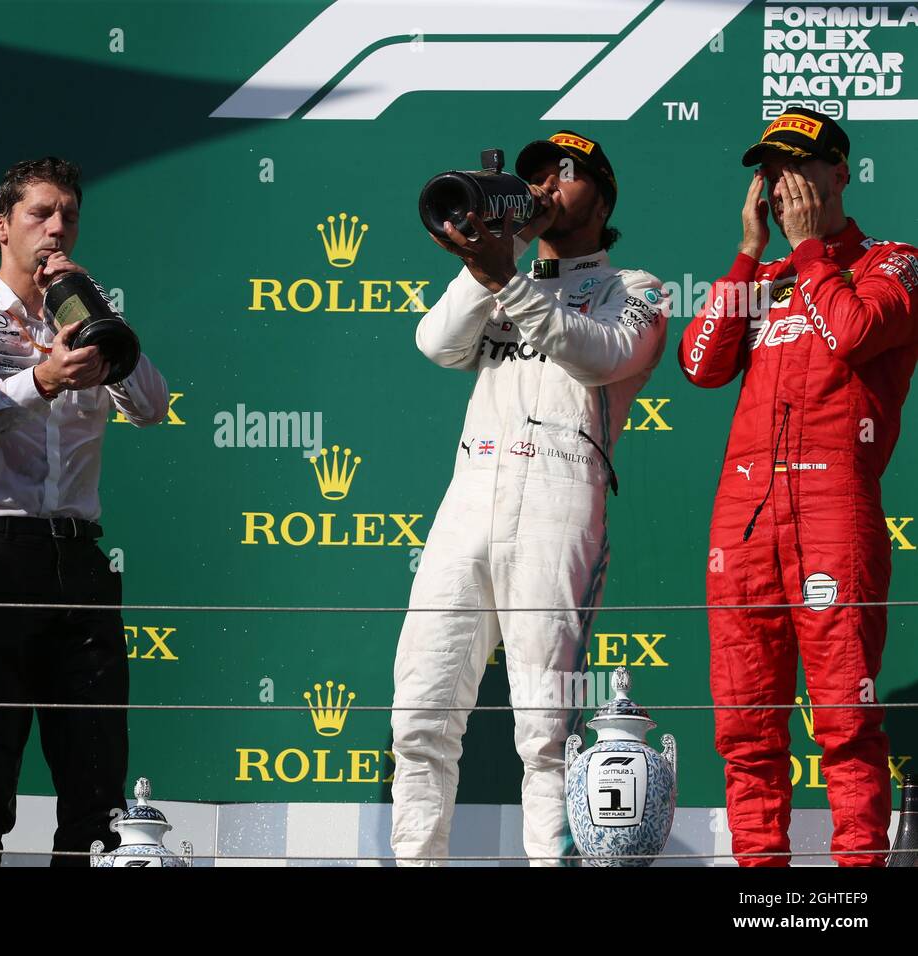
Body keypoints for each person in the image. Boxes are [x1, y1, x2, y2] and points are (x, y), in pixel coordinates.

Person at [390, 131, 669, 865]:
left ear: (602, 198)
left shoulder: (634, 289)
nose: (543, 188)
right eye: (532, 176)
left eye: (564, 175)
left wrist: (508, 279)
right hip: (470, 489)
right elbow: (434, 343)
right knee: (420, 710)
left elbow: (600, 355)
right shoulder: (497, 275)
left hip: (559, 489)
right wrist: (484, 264)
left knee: (546, 728)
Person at [679, 109, 918, 866]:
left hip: (832, 514)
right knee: (746, 725)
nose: (782, 184)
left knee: (845, 715)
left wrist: (812, 252)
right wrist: (750, 255)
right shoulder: (764, 280)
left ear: (839, 173)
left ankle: (857, 883)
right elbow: (701, 364)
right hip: (744, 523)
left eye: (800, 166)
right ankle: (760, 884)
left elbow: (854, 333)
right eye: (770, 170)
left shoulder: (893, 262)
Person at [0, 156, 169, 866]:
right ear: (2, 226)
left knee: (96, 790)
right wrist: (41, 378)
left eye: (69, 214)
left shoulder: (86, 311)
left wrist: (94, 313)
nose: (58, 229)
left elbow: (151, 408)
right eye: (41, 214)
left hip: (81, 564)